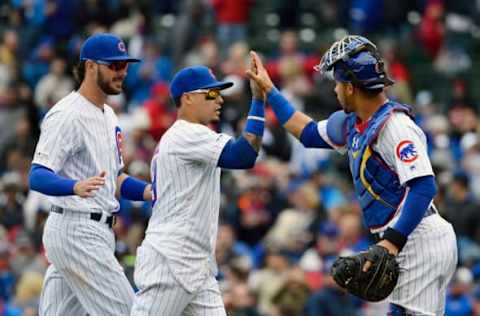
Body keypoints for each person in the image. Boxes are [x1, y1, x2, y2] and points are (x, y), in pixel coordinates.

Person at [247, 35, 457, 315]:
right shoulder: (354, 125)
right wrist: (270, 90)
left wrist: (391, 243)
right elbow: (307, 133)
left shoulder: (395, 126)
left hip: (417, 236)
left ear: (350, 88)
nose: (334, 89)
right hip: (409, 237)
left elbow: (424, 187)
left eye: (337, 83)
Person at [29, 33, 152, 316]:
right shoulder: (67, 114)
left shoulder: (109, 115)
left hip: (93, 230)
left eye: (125, 65)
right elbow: (37, 175)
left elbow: (115, 180)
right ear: (90, 66)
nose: (122, 72)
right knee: (128, 311)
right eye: (114, 65)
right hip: (76, 229)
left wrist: (148, 191)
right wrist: (74, 186)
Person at [131, 62, 265, 315]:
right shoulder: (186, 134)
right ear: (188, 98)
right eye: (211, 93)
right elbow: (243, 156)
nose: (219, 100)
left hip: (197, 263)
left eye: (220, 94)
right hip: (171, 261)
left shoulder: (190, 135)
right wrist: (258, 101)